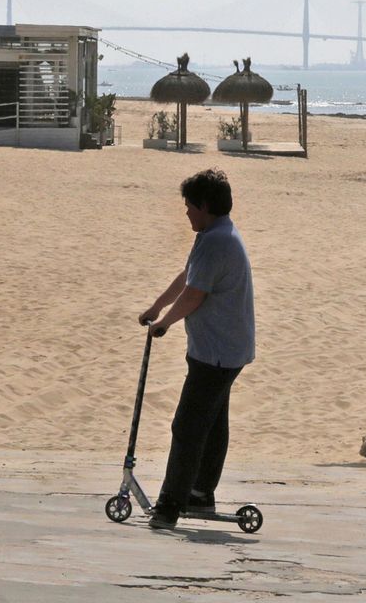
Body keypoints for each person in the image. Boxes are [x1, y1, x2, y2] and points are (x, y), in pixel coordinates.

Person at [138, 168, 256, 530]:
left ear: (204, 206)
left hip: (217, 353)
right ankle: (201, 493)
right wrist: (157, 306)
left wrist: (165, 324)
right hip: (223, 349)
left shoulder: (217, 241)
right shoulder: (213, 235)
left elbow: (194, 295)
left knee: (187, 426)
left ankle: (170, 504)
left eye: (189, 206)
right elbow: (189, 275)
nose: (186, 212)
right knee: (212, 421)